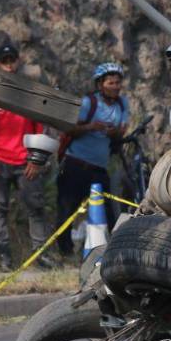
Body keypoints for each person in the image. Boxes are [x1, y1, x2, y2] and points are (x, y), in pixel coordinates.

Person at [0, 44, 52, 270]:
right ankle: (4, 260)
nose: (8, 65)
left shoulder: (28, 93)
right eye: (4, 61)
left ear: (18, 62)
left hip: (26, 162)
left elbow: (40, 128)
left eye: (12, 60)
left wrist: (36, 159)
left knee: (36, 208)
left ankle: (41, 257)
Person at [55, 62, 130, 260]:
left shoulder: (122, 104)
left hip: (99, 168)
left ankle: (113, 252)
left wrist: (114, 133)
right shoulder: (89, 103)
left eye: (118, 83)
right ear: (100, 84)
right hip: (76, 165)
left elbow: (121, 132)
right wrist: (91, 127)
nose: (115, 87)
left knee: (108, 211)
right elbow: (70, 130)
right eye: (110, 83)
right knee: (67, 210)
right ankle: (65, 253)